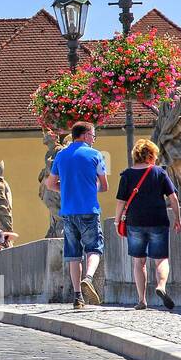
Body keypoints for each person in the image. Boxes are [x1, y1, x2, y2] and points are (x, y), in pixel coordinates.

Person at [44, 121, 109, 309]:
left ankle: (78, 297)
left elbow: (50, 184)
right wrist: (90, 187)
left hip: (68, 213)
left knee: (73, 255)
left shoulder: (61, 156)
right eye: (93, 135)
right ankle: (88, 278)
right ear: (85, 135)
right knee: (94, 249)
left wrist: (64, 189)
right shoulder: (95, 155)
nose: (94, 139)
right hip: (89, 210)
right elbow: (104, 186)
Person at [115, 138, 181, 311]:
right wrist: (177, 218)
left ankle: (142, 300)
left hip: (135, 222)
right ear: (151, 155)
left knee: (139, 262)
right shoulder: (160, 173)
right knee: (161, 259)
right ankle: (161, 286)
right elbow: (173, 198)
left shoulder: (127, 175)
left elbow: (121, 202)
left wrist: (117, 221)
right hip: (158, 220)